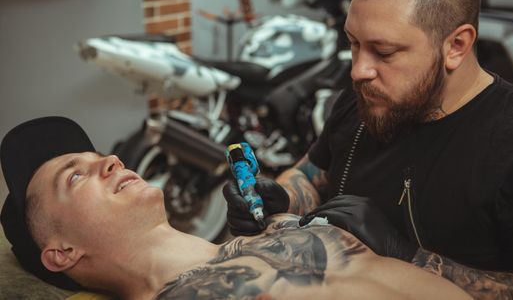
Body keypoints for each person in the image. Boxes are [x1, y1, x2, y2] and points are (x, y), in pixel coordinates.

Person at [223, 0, 513, 298]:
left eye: (383, 52)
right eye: (353, 43)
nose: (358, 71)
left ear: (456, 45)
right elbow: (309, 175)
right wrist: (282, 198)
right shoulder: (362, 99)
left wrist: (405, 257)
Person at [0, 116, 471, 300]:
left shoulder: (277, 229)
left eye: (99, 154)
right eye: (75, 175)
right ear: (61, 252)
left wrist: (413, 256)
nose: (110, 160)